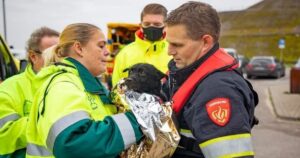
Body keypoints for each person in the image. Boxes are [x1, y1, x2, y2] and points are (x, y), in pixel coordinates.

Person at [25, 23, 143, 158]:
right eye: (101, 46)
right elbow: (73, 144)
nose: (107, 52)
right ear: (79, 48)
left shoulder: (83, 84)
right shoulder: (63, 86)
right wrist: (136, 120)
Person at [163, 2, 258, 158]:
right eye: (168, 43)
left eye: (177, 45)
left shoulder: (219, 91)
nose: (169, 51)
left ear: (205, 42)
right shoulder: (187, 73)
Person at [0, 27, 59, 157]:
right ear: (33, 57)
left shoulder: (72, 84)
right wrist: (48, 121)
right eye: (53, 53)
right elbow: (3, 136)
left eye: (62, 52)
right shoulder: (8, 89)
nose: (59, 59)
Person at [112, 3, 172, 87]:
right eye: (147, 24)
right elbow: (117, 88)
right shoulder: (124, 54)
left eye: (157, 24)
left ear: (165, 26)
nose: (151, 27)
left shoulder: (174, 51)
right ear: (140, 26)